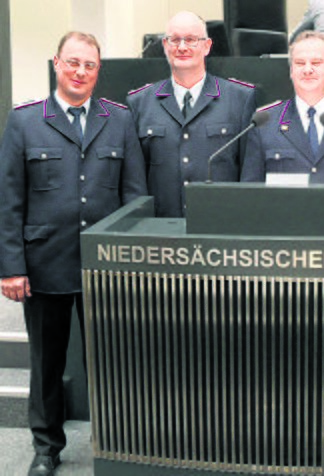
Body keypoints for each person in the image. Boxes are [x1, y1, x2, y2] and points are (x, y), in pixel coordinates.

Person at [0, 32, 147, 476]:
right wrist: (10, 266)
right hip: (46, 263)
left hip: (106, 267)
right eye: (73, 63)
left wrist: (133, 261)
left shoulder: (119, 120)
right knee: (47, 363)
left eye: (89, 65)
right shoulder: (25, 121)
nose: (81, 72)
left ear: (97, 71)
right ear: (56, 64)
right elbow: (10, 200)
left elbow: (135, 196)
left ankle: (118, 441)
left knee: (112, 359)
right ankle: (46, 448)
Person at [127, 10, 257, 217]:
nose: (182, 47)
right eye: (174, 40)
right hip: (161, 232)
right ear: (164, 46)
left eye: (191, 40)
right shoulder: (140, 103)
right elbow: (134, 181)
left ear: (206, 46)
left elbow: (250, 175)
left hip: (220, 229)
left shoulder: (240, 98)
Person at [241, 31, 324, 183]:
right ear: (291, 71)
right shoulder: (264, 122)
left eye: (316, 63)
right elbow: (251, 191)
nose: (307, 70)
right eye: (299, 63)